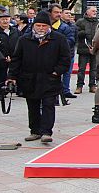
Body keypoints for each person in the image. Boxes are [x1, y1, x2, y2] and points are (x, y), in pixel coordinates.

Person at [7, 11, 70, 143]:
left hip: (50, 78)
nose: (41, 28)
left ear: (49, 26)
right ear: (34, 26)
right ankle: (35, 130)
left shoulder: (58, 39)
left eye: (44, 26)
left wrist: (57, 72)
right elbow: (16, 58)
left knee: (48, 104)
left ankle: (46, 131)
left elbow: (65, 58)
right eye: (38, 26)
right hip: (30, 78)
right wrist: (12, 76)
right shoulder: (24, 39)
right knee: (33, 105)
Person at [46, 4, 76, 99]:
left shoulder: (65, 27)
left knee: (66, 74)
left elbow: (71, 40)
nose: (58, 14)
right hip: (47, 57)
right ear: (50, 13)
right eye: (56, 12)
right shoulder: (42, 25)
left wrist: (57, 45)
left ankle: (64, 91)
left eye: (59, 12)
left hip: (63, 56)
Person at [75, 6, 99, 94]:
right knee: (82, 68)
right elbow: (75, 33)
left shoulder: (98, 22)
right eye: (93, 11)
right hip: (83, 48)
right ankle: (79, 86)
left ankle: (92, 85)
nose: (95, 12)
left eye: (96, 11)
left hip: (94, 48)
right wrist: (82, 33)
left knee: (94, 69)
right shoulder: (80, 22)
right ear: (87, 11)